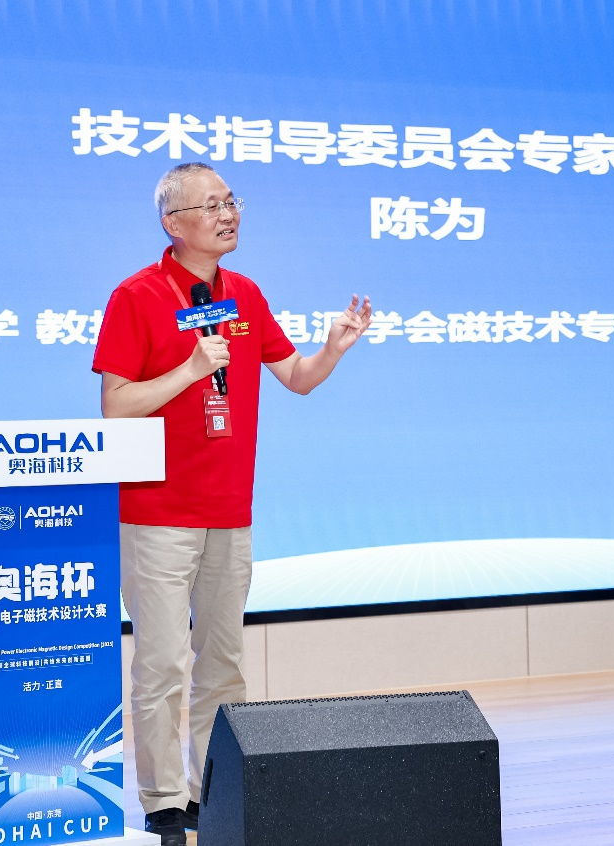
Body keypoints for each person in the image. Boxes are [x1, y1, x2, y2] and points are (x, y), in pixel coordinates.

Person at [92, 162, 372, 844]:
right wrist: (189, 369)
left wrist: (332, 351)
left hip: (228, 507)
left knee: (223, 664)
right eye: (211, 204)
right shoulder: (136, 295)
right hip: (157, 512)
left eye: (231, 201)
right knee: (162, 663)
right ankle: (164, 803)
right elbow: (115, 406)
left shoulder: (244, 293)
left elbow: (295, 377)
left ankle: (210, 795)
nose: (228, 214)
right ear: (173, 222)